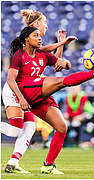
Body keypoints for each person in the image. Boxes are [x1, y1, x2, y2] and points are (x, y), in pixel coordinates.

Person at [6, 26, 94, 174]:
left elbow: (60, 65)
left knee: (61, 127)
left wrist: (63, 54)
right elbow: (10, 80)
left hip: (38, 94)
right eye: (36, 36)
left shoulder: (42, 55)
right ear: (27, 39)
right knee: (60, 82)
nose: (40, 38)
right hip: (26, 91)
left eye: (40, 36)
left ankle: (48, 165)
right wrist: (20, 98)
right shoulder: (19, 55)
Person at [1, 9, 77, 174]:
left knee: (29, 127)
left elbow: (54, 62)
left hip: (28, 91)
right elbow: (43, 52)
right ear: (36, 24)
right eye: (44, 22)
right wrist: (61, 43)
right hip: (15, 90)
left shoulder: (36, 42)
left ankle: (13, 163)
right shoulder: (26, 42)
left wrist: (60, 45)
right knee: (15, 130)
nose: (46, 26)